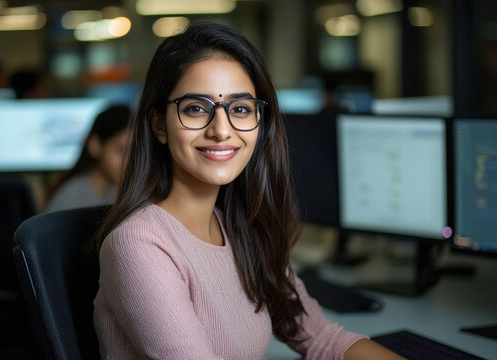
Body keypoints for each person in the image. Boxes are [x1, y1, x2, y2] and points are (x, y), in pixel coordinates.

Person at [92, 23, 405, 360]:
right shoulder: (139, 244)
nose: (222, 131)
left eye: (241, 109)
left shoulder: (244, 230)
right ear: (159, 125)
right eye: (196, 108)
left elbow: (322, 339)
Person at [45, 105, 131, 212]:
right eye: (121, 150)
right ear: (95, 145)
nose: (129, 161)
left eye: (134, 153)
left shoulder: (118, 192)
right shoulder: (70, 198)